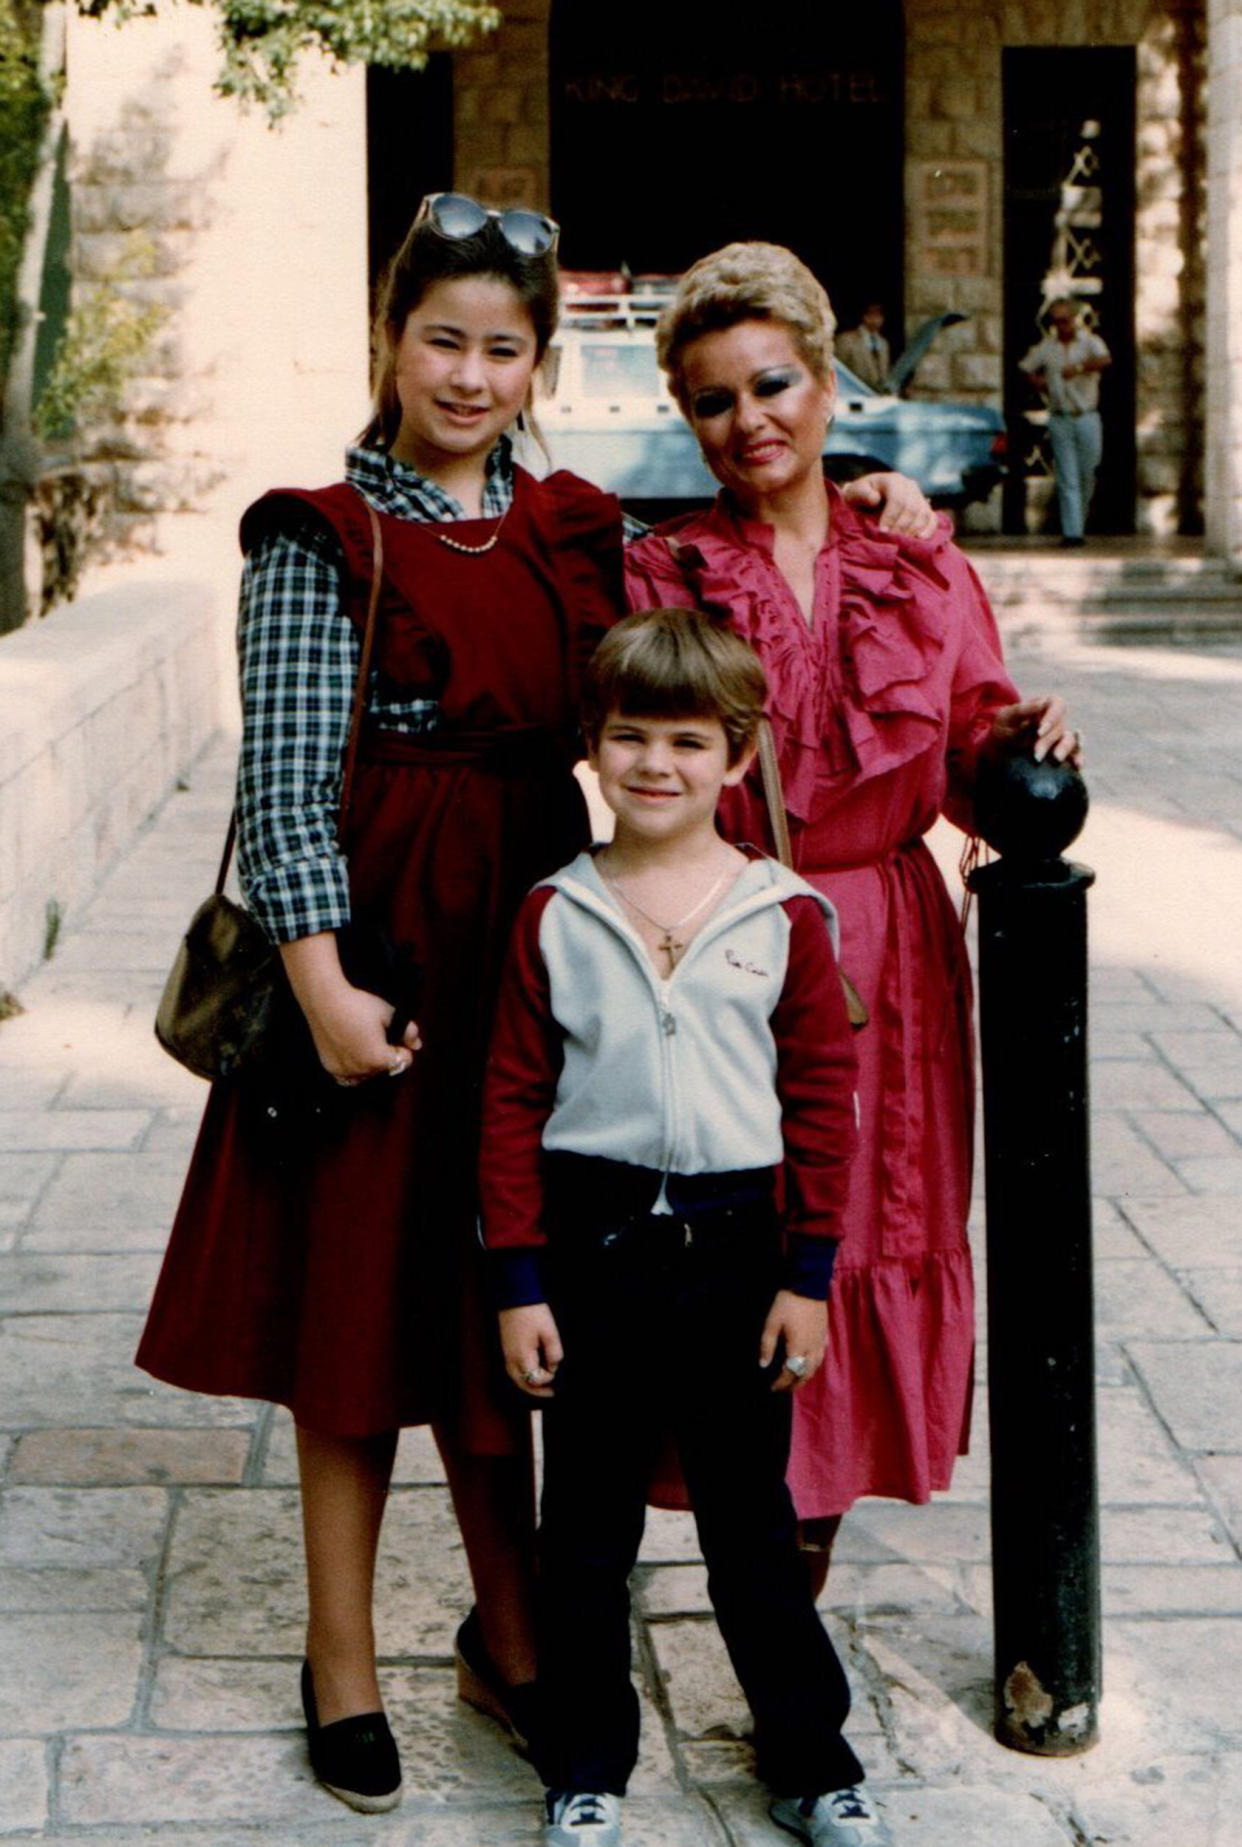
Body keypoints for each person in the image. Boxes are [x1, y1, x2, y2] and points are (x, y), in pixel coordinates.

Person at [133, 197, 932, 1814]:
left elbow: (710, 590)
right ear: (391, 338)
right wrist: (320, 982)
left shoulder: (574, 525)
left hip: (545, 957)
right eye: (444, 338)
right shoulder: (319, 532)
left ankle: (512, 1631)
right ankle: (342, 1649)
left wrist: (866, 496)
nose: (473, 373)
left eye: (506, 346)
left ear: (541, 360)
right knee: (352, 1320)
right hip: (383, 959)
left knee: (511, 1315)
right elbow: (282, 788)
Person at [625, 242, 1083, 1589]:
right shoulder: (668, 570)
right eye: (712, 400)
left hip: (890, 947)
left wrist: (1025, 739)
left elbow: (964, 750)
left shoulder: (921, 565)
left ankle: (796, 1576)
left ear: (828, 387)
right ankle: (758, 1557)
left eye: (773, 383)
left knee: (871, 1224)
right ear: (687, 419)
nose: (748, 419)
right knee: (742, 1237)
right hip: (727, 945)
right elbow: (642, 762)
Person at [481, 607, 891, 1847]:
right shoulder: (556, 911)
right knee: (586, 1533)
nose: (656, 764)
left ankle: (813, 1760)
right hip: (592, 1251)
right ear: (590, 752)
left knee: (750, 1528)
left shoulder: (781, 914)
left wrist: (808, 1273)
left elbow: (823, 1101)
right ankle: (586, 1759)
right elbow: (509, 1099)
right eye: (628, 737)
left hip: (735, 1256)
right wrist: (519, 1281)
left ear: (735, 753)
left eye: (687, 740)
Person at [1018, 298, 1111, 547]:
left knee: (1087, 471)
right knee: (1067, 475)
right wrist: (1038, 382)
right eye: (1056, 321)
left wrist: (1080, 368)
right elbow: (1026, 367)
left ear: (1074, 320)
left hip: (1086, 415)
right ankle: (1073, 532)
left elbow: (1105, 360)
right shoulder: (1047, 348)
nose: (1061, 326)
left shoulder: (1090, 342)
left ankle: (1079, 521)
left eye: (1065, 320)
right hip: (1061, 416)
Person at [834, 300, 891, 391]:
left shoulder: (883, 343)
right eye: (873, 314)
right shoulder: (847, 340)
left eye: (879, 315)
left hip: (878, 396)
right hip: (854, 394)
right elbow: (838, 372)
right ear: (865, 316)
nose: (877, 319)